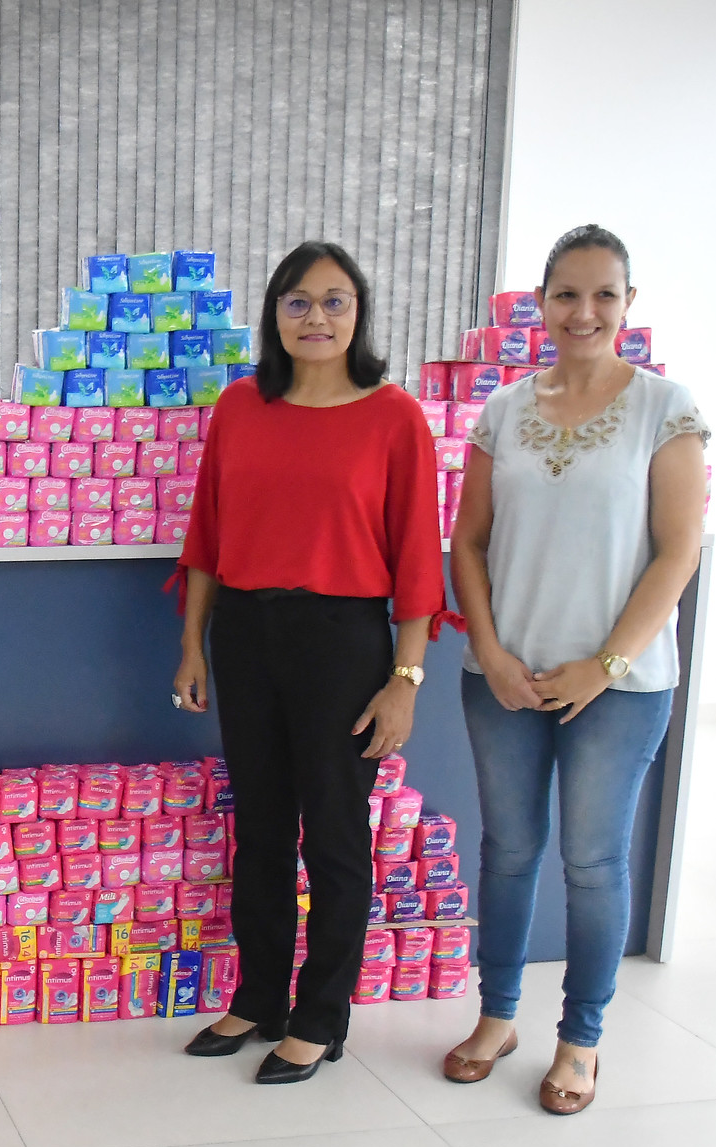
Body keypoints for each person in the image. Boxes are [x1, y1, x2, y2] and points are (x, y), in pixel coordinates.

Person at [441, 226, 706, 1114]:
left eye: (603, 294)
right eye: (565, 294)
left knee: (592, 863)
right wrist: (486, 648)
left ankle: (581, 1038)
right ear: (542, 304)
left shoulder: (664, 409)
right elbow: (467, 541)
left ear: (627, 304)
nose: (582, 312)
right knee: (508, 852)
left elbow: (677, 554)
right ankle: (496, 1015)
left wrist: (605, 663)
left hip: (619, 688)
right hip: (505, 677)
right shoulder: (502, 410)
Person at [172, 240, 443, 1084]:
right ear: (273, 314)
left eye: (333, 301)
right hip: (246, 634)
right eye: (296, 301)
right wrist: (192, 642)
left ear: (357, 312)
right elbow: (208, 538)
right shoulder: (241, 406)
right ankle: (258, 997)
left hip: (343, 641)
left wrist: (403, 680)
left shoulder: (393, 416)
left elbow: (415, 563)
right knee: (258, 827)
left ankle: (321, 1016)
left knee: (330, 834)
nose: (315, 317)